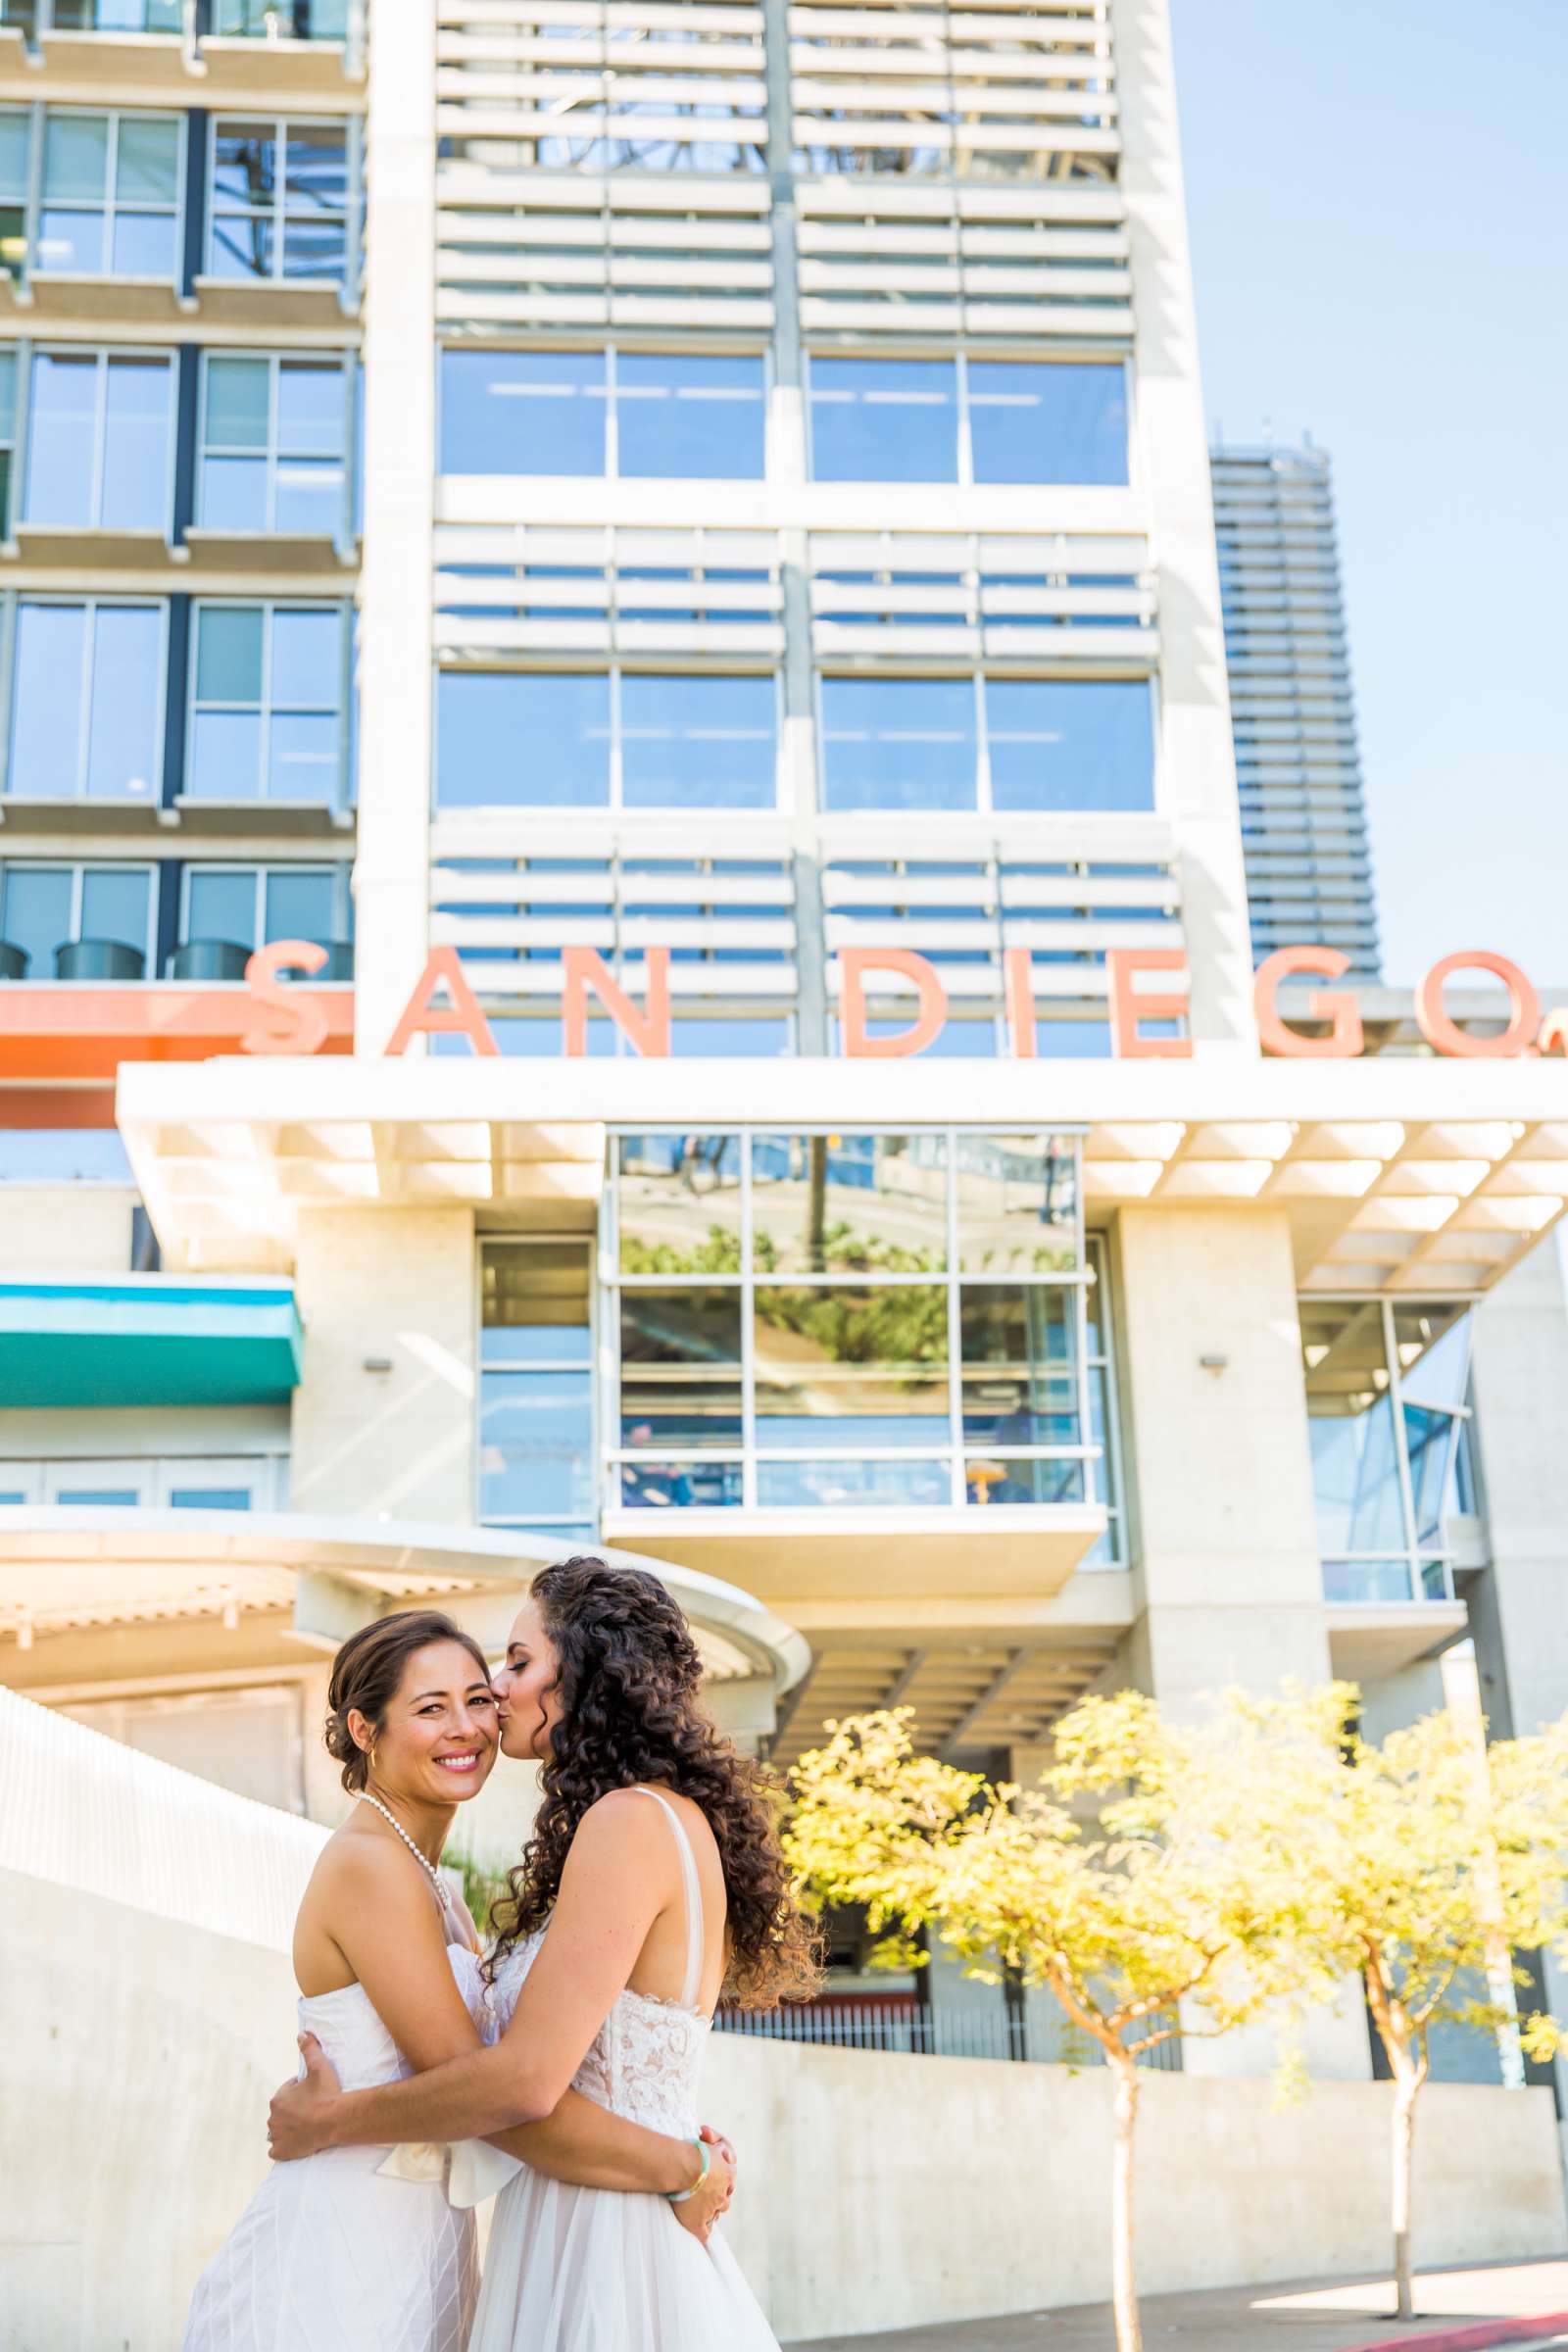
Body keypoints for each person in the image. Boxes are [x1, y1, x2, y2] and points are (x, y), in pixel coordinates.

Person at [269, 1556, 819, 2351]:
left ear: (588, 1680)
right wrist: (686, 2161)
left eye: (519, 1663)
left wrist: (328, 2121)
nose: (498, 1691)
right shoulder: (661, 1817)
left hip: (600, 2235)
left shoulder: (627, 1822)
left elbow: (522, 2084)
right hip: (607, 2208)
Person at [184, 1607, 733, 2352]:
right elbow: (483, 2091)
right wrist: (681, 2164)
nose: (466, 1727)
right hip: (346, 2253)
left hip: (424, 2244)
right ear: (363, 1730)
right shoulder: (369, 1866)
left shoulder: (433, 1885)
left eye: (477, 1699)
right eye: (429, 1709)